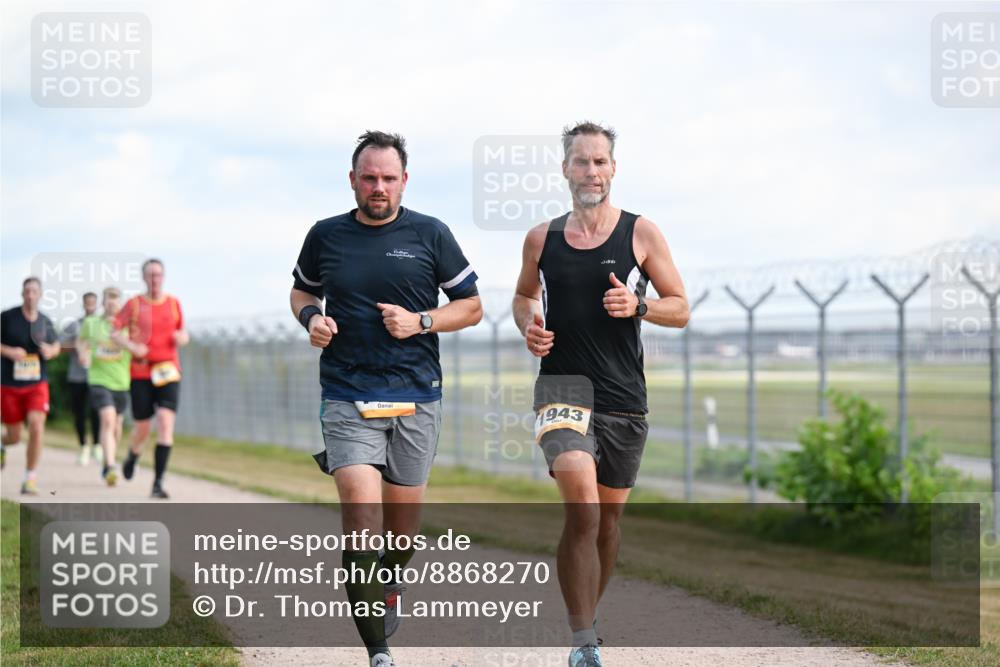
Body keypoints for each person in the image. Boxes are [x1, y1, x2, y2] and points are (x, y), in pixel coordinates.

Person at [290, 131, 482, 667]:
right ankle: (378, 651)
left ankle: (390, 583)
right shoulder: (325, 236)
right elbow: (302, 291)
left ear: (404, 181)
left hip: (416, 396)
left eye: (388, 179)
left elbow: (470, 307)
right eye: (369, 178)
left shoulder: (430, 234)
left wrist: (420, 321)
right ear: (352, 180)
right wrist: (313, 319)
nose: (378, 188)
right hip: (348, 392)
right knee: (360, 510)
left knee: (400, 530)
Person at [512, 122, 690, 667]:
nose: (591, 171)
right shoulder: (542, 238)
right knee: (584, 510)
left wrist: (640, 307)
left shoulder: (641, 234)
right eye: (581, 162)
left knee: (607, 524)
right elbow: (522, 296)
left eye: (600, 162)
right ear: (565, 169)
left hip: (623, 398)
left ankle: (586, 615)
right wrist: (529, 325)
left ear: (613, 169)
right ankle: (584, 641)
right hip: (562, 388)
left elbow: (680, 307)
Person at [116, 259, 189, 499]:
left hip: (168, 371)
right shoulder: (134, 304)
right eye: (150, 275)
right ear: (144, 278)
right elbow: (115, 332)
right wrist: (131, 346)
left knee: (166, 425)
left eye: (158, 275)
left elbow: (183, 333)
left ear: (163, 277)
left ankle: (158, 483)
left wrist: (181, 338)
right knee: (143, 428)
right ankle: (133, 455)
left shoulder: (173, 303)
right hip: (141, 373)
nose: (154, 279)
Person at [77, 287, 144, 486]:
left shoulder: (129, 327)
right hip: (98, 380)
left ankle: (107, 461)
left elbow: (138, 350)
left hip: (122, 382)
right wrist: (83, 353)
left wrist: (122, 341)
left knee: (116, 426)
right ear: (103, 302)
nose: (112, 303)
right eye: (108, 299)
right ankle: (112, 467)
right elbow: (81, 342)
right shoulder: (91, 323)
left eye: (115, 299)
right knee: (107, 419)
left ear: (120, 303)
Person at [0, 277, 61, 494]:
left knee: (36, 425)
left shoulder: (45, 321)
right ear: (22, 293)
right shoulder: (8, 317)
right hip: (9, 385)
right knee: (14, 436)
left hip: (37, 384)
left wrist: (51, 351)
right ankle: (2, 444)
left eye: (34, 291)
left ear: (41, 294)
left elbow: (56, 346)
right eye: (27, 291)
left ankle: (30, 478)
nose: (30, 295)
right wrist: (9, 352)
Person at [63, 291, 102, 465]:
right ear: (83, 304)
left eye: (93, 303)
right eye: (88, 303)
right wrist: (77, 345)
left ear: (98, 304)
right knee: (79, 413)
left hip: (97, 375)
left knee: (97, 411)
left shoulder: (103, 325)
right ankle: (83, 446)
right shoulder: (74, 325)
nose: (90, 306)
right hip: (77, 376)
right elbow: (60, 346)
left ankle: (97, 445)